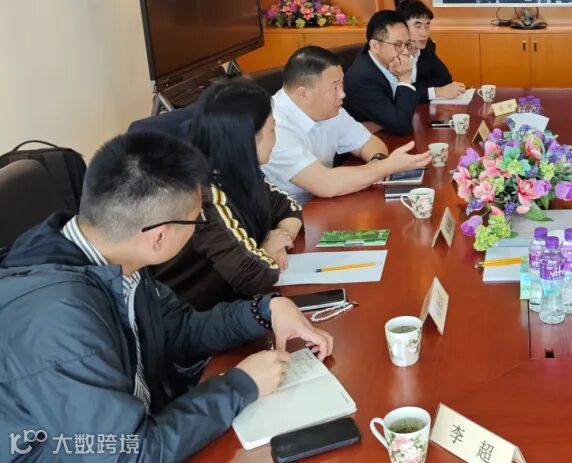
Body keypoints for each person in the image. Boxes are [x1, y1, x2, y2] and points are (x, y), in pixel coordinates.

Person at [0, 132, 332, 461]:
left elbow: (177, 330)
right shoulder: (58, 317)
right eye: (196, 220)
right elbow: (127, 454)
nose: (198, 227)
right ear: (158, 237)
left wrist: (265, 310)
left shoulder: (115, 257)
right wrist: (241, 385)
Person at [154, 82, 302, 311]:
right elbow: (254, 277)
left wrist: (279, 240)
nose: (276, 138)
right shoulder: (203, 197)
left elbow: (287, 206)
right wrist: (266, 252)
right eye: (272, 129)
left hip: (232, 306)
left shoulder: (238, 172)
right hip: (194, 319)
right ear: (248, 139)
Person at [264, 45, 430, 205]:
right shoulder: (274, 127)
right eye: (335, 87)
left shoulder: (329, 109)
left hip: (323, 205)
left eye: (341, 84)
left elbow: (369, 142)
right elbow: (326, 184)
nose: (342, 94)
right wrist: (385, 167)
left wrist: (377, 162)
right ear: (303, 94)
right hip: (289, 218)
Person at [342, 10, 424, 135]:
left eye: (407, 44)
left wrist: (382, 123)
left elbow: (402, 110)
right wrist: (405, 78)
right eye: (398, 45)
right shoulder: (363, 79)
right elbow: (401, 125)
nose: (406, 52)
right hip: (365, 143)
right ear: (375, 46)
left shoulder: (390, 64)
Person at [396, 0, 467, 103]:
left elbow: (445, 79)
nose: (424, 33)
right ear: (401, 27)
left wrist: (415, 87)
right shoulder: (391, 53)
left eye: (427, 26)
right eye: (418, 26)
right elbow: (396, 94)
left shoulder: (427, 46)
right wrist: (436, 91)